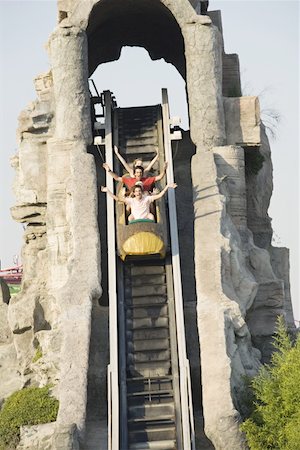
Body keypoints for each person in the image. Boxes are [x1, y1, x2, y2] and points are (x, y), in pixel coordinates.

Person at [101, 182, 177, 222]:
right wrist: (108, 191)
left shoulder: (146, 198)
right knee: (130, 217)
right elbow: (118, 199)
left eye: (139, 191)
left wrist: (167, 186)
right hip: (135, 220)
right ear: (134, 193)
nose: (138, 193)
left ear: (141, 192)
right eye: (136, 191)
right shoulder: (131, 200)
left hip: (146, 218)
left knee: (151, 216)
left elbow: (159, 196)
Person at [102, 161, 168, 192]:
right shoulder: (130, 180)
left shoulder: (147, 180)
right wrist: (109, 170)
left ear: (142, 173)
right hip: (133, 200)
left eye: (140, 172)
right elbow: (117, 178)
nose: (139, 174)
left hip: (145, 200)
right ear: (135, 174)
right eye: (137, 172)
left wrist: (164, 169)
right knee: (128, 207)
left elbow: (159, 177)